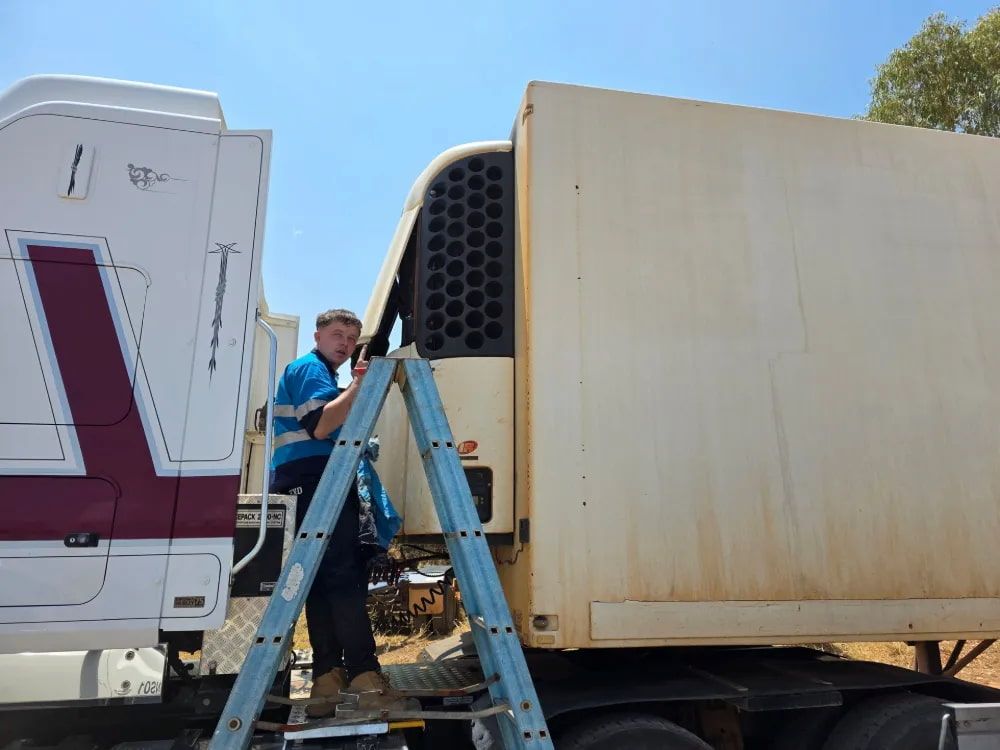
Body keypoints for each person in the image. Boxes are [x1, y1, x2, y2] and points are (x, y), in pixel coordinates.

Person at [270, 308, 400, 717]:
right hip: (316, 483)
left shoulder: (317, 373)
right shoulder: (311, 370)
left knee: (324, 583)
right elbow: (322, 426)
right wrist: (359, 386)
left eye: (350, 338)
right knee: (344, 578)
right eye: (337, 335)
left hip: (301, 482)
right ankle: (365, 676)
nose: (344, 344)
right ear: (318, 335)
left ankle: (326, 682)